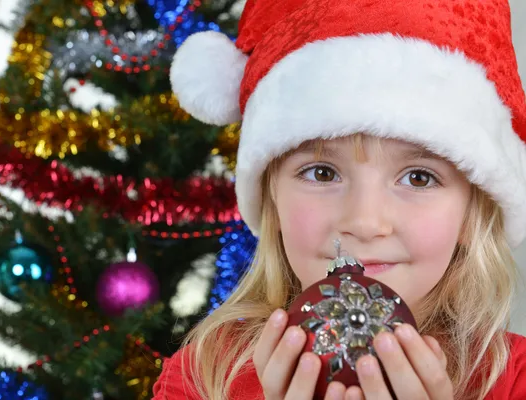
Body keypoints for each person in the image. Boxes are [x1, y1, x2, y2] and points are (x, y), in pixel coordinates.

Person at [154, 0, 526, 398]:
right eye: (322, 172)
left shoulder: (513, 380)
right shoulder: (203, 376)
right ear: (271, 198)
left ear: (473, 211)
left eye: (419, 177)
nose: (364, 222)